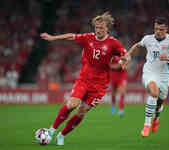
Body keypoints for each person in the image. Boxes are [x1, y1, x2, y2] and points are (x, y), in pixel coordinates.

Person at [40, 12, 126, 145]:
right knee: (72, 104)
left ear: (107, 28)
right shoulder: (88, 38)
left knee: (82, 111)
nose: (98, 30)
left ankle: (61, 135)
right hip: (84, 79)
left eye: (101, 28)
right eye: (96, 27)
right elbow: (70, 36)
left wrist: (124, 61)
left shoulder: (113, 43)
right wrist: (53, 38)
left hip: (100, 85)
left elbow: (125, 55)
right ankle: (51, 131)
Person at [122, 17, 169, 137]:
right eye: (156, 29)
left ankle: (156, 118)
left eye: (161, 29)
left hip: (164, 75)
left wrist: (168, 58)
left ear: (166, 29)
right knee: (154, 92)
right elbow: (137, 46)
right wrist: (127, 55)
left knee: (160, 102)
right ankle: (147, 125)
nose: (158, 32)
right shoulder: (148, 39)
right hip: (149, 72)